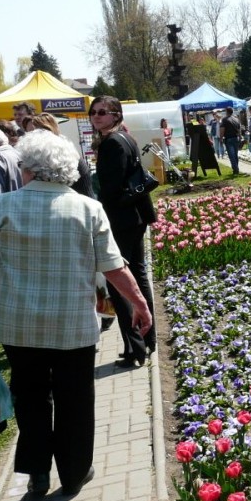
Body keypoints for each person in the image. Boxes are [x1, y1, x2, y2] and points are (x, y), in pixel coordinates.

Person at [0, 130, 152, 498]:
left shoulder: (1, 207)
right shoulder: (89, 208)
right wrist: (139, 303)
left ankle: (37, 471)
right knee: (76, 399)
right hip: (73, 325)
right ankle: (74, 472)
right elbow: (114, 267)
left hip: (19, 327)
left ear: (30, 168)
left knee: (31, 397)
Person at [88, 96, 158, 367]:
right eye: (93, 112)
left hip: (122, 218)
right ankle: (146, 339)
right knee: (138, 277)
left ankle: (135, 347)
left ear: (116, 115)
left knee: (121, 283)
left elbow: (113, 188)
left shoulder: (113, 143)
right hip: (135, 216)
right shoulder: (123, 137)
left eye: (102, 112)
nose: (96, 116)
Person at [30, 113, 94, 196]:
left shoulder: (66, 153)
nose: (33, 135)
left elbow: (86, 190)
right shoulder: (35, 156)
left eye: (38, 131)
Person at [219, 107, 242, 175]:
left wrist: (220, 138)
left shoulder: (225, 119)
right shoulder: (236, 119)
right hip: (236, 138)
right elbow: (239, 129)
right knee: (235, 154)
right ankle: (236, 168)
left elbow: (222, 129)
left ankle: (235, 169)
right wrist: (240, 137)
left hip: (228, 138)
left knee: (231, 155)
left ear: (226, 111)